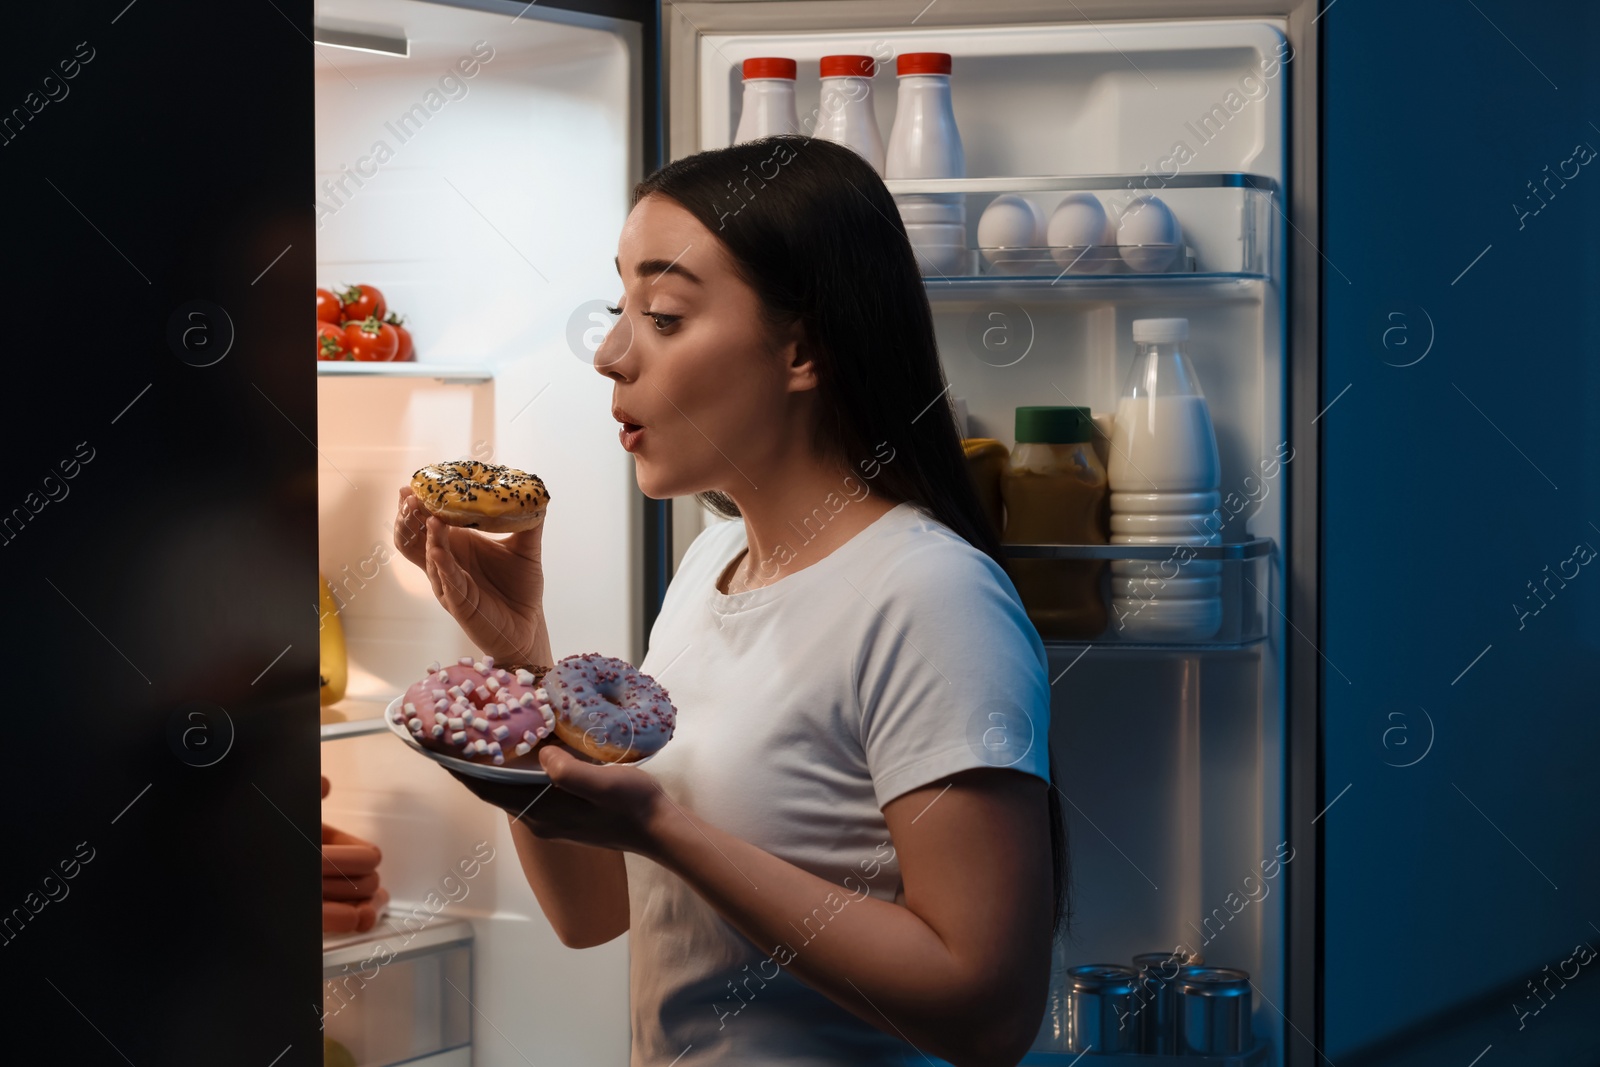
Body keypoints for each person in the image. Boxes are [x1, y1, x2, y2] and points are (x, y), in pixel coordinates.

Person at [392, 135, 1068, 1067]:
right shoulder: (712, 568)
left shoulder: (929, 595)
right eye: (618, 304)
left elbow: (986, 1013)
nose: (611, 354)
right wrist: (523, 665)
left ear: (803, 348)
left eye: (664, 314)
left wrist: (665, 829)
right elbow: (594, 913)